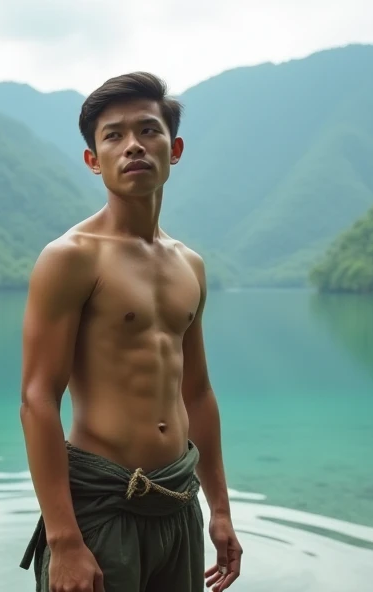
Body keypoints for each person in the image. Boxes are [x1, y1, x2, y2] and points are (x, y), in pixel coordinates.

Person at [18, 71, 243, 592]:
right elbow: (37, 399)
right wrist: (65, 540)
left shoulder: (191, 264)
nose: (133, 146)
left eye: (149, 130)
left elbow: (199, 393)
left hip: (176, 499)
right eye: (113, 136)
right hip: (102, 506)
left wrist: (221, 509)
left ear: (175, 148)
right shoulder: (71, 258)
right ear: (93, 160)